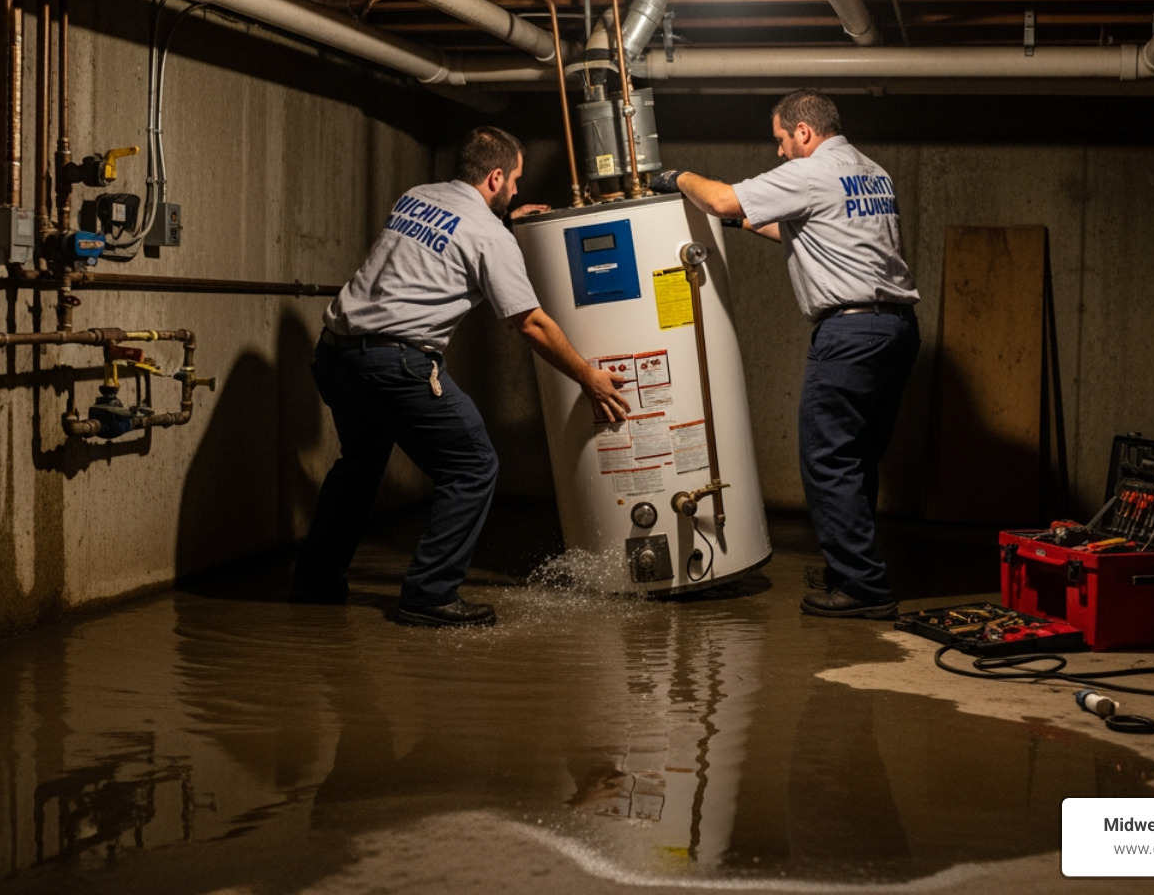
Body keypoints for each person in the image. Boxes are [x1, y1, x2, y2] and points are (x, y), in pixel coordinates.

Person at [292, 126, 630, 627]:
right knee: (472, 466)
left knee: (359, 465)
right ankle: (429, 594)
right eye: (513, 180)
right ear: (495, 177)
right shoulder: (490, 238)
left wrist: (507, 221)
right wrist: (587, 376)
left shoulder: (416, 197)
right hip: (397, 363)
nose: (516, 189)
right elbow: (531, 323)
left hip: (337, 356)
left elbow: (448, 236)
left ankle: (314, 582)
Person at [648, 89, 920, 619]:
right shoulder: (871, 172)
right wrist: (738, 223)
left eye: (780, 141)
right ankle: (851, 570)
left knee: (827, 461)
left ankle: (863, 589)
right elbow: (813, 233)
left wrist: (677, 179)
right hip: (894, 329)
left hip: (849, 334)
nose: (778, 153)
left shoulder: (812, 171)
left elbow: (724, 197)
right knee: (857, 459)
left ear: (803, 132)